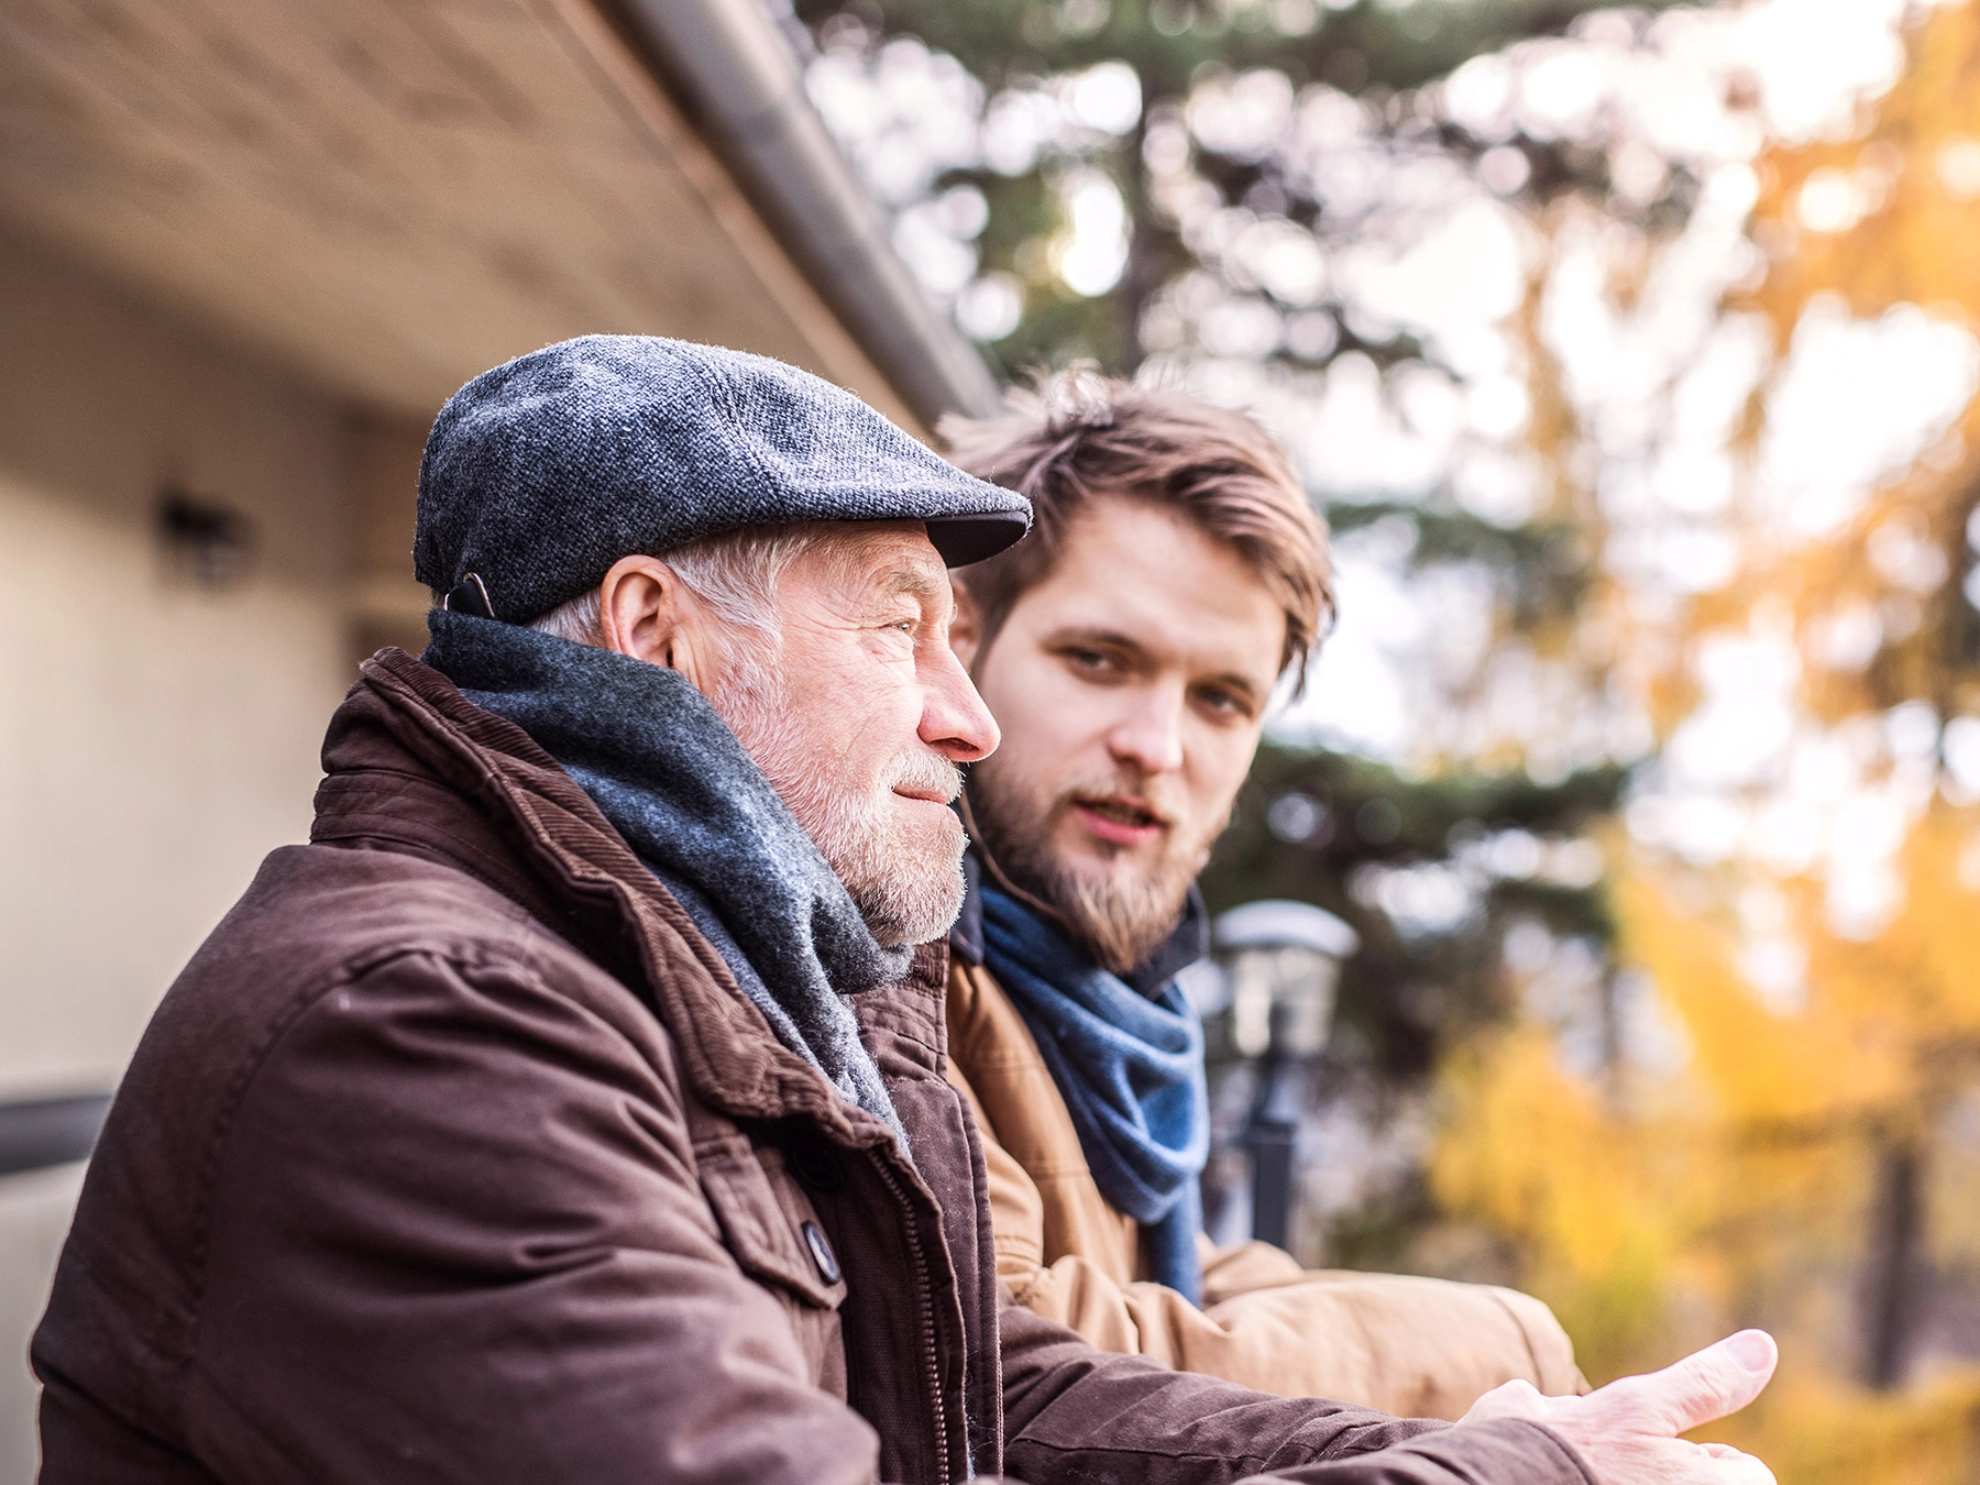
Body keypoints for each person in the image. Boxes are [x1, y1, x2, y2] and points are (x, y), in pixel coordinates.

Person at [33, 335, 1775, 1485]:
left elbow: (983, 1390)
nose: (972, 715)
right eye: (898, 631)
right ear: (654, 634)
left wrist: (1522, 1442)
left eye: (961, 637)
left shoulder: (758, 990)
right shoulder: (419, 1032)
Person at [939, 371, 1584, 1419]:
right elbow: (1004, 1344)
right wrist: (1516, 1348)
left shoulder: (1114, 1011)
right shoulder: (891, 945)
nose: (1156, 748)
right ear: (960, 636)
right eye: (1099, 660)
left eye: (1221, 699)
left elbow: (1175, 1286)